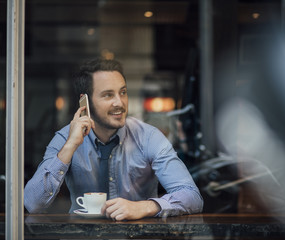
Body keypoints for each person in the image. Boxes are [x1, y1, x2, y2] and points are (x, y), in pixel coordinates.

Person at [24, 58, 203, 220]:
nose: (120, 102)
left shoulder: (149, 137)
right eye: (108, 95)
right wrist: (71, 145)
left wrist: (146, 206)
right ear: (85, 102)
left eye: (123, 92)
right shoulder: (65, 138)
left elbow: (192, 196)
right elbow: (32, 204)